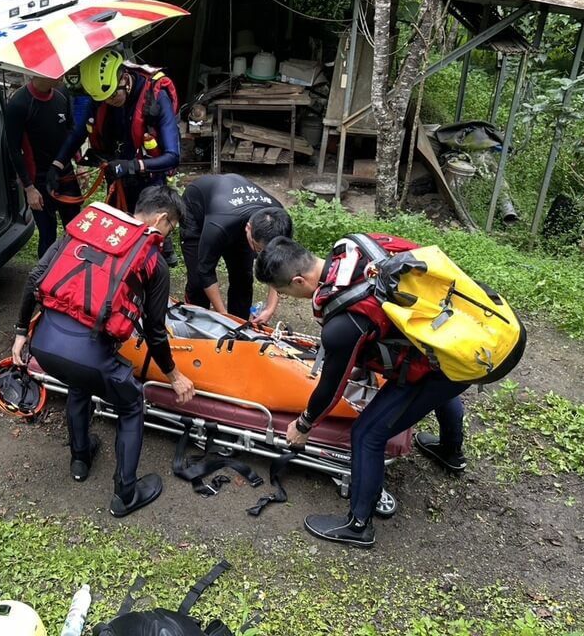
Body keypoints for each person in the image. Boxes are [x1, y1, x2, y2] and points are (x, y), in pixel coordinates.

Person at [254, 236, 468, 548]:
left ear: (299, 281)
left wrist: (304, 424)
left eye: (284, 292)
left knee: (367, 434)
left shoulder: (342, 324)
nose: (289, 297)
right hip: (459, 333)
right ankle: (450, 452)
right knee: (444, 377)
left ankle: (358, 526)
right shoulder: (355, 247)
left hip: (445, 362)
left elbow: (331, 389)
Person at [11, 185, 196, 517]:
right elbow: (155, 331)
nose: (169, 235)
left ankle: (80, 458)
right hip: (91, 356)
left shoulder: (87, 229)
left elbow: (36, 276)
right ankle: (125, 494)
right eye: (172, 227)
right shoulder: (153, 261)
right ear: (161, 219)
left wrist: (21, 332)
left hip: (45, 346)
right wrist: (175, 376)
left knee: (79, 383)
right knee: (131, 405)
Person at [47, 48, 181, 215]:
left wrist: (131, 166)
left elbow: (172, 157)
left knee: (144, 228)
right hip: (117, 178)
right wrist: (57, 165)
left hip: (149, 183)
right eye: (104, 99)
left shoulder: (157, 97)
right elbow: (78, 133)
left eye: (112, 96)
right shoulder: (102, 97)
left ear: (124, 77)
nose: (109, 102)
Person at [180, 174, 293, 322]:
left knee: (243, 278)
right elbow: (205, 271)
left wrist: (269, 309)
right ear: (248, 229)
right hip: (197, 210)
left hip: (234, 214)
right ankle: (195, 321)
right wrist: (223, 316)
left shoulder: (280, 221)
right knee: (198, 282)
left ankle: (240, 322)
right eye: (259, 250)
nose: (261, 255)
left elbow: (279, 265)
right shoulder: (218, 225)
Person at [5, 76, 81, 257]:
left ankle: (73, 270)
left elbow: (71, 130)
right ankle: (45, 274)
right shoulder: (19, 104)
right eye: (56, 73)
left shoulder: (61, 92)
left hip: (65, 172)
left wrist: (79, 163)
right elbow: (13, 150)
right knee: (48, 236)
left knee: (76, 230)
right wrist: (29, 188)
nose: (61, 76)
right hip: (38, 180)